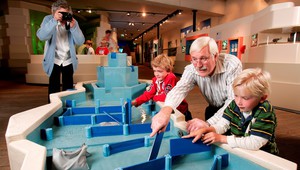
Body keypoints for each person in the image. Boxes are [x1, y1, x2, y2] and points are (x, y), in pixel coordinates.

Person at [150, 36, 242, 137]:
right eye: (194, 59)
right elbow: (180, 89)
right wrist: (166, 110)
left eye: (204, 58)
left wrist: (208, 123)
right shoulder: (191, 69)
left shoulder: (231, 65)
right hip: (213, 108)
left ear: (215, 56)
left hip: (237, 110)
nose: (198, 65)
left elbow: (233, 101)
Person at [182, 68, 279, 155]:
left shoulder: (265, 111)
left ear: (262, 98)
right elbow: (222, 124)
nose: (238, 102)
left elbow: (255, 143)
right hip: (240, 150)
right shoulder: (234, 104)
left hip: (262, 156)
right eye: (236, 95)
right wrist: (205, 130)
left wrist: (221, 138)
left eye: (245, 98)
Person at [36, 0, 85, 102]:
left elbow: (80, 41)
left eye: (65, 13)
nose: (63, 16)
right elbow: (41, 36)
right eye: (60, 13)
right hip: (53, 60)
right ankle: (53, 109)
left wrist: (74, 27)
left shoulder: (72, 22)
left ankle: (67, 109)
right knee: (53, 89)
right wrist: (54, 21)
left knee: (68, 88)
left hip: (68, 60)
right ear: (54, 13)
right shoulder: (48, 19)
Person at [132, 54, 192, 121]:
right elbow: (148, 93)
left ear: (168, 70)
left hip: (180, 111)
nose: (156, 74)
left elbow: (167, 97)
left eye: (159, 71)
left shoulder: (171, 78)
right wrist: (136, 102)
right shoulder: (155, 80)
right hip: (170, 110)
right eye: (155, 71)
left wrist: (153, 97)